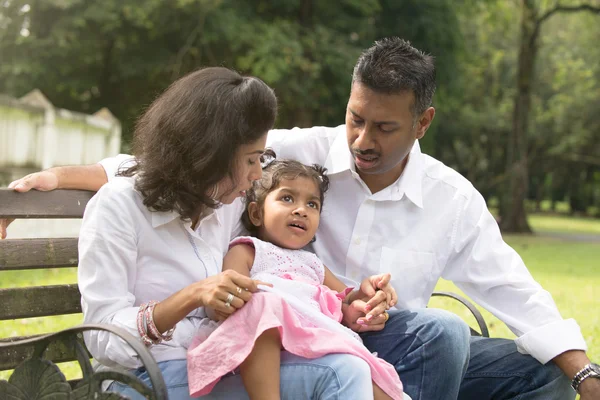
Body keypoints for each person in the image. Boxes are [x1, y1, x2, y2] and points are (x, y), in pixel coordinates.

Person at [3, 38, 599, 399]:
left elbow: (514, 290)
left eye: (384, 127)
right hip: (243, 352)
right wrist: (56, 178)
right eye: (354, 118)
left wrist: (581, 371)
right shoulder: (284, 163)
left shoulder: (453, 198)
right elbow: (161, 163)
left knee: (494, 354)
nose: (361, 139)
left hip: (336, 334)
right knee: (382, 359)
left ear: (422, 123)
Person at [75, 66, 387, 399]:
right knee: (340, 375)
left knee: (353, 367)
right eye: (251, 160)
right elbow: (102, 336)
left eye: (261, 159)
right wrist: (192, 297)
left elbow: (280, 252)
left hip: (217, 365)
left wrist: (352, 298)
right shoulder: (119, 207)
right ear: (210, 154)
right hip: (144, 379)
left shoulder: (223, 206)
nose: (257, 176)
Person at [187, 156, 404, 400]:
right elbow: (231, 296)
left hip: (316, 342)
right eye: (287, 198)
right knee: (261, 305)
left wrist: (364, 302)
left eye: (312, 204)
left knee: (382, 387)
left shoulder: (313, 263)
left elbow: (345, 302)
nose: (301, 210)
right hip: (265, 346)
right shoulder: (248, 250)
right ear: (256, 214)